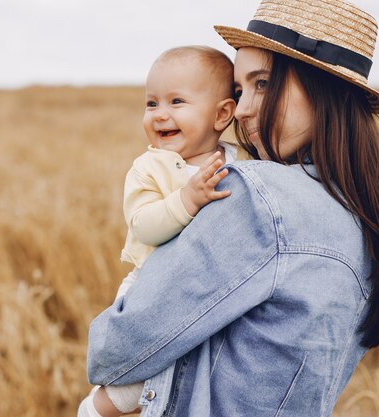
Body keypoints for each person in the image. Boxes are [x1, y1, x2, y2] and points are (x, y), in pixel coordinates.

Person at [85, 0, 379, 416]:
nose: (240, 110)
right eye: (239, 90)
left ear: (322, 87)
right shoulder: (366, 218)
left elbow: (114, 350)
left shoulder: (260, 197)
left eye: (263, 83)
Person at [78, 46, 241, 417]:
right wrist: (186, 199)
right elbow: (144, 224)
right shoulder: (149, 169)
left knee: (184, 376)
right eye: (151, 103)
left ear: (221, 114)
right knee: (133, 380)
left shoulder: (237, 162)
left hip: (207, 290)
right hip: (150, 290)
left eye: (177, 101)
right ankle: (93, 410)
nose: (160, 114)